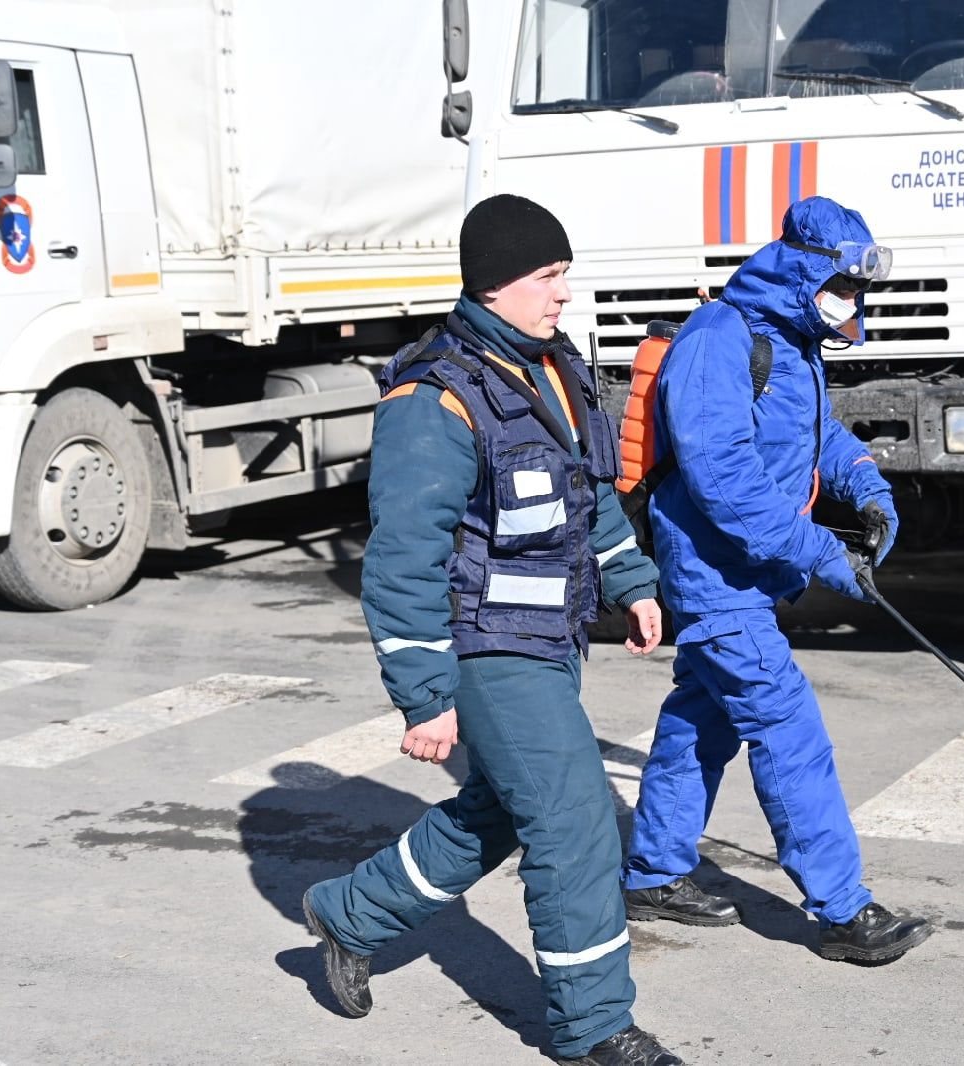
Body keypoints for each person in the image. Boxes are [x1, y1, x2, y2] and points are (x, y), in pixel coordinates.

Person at [301, 194, 685, 1066]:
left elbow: (587, 497)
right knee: (576, 819)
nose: (563, 296)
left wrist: (630, 580)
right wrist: (426, 696)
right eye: (548, 278)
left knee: (506, 809)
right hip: (486, 644)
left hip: (550, 637)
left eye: (564, 278)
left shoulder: (555, 369)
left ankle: (352, 913)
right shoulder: (433, 398)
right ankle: (595, 1029)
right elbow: (401, 560)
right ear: (498, 282)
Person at [619, 196, 933, 964]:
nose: (851, 305)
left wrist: (864, 485)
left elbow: (814, 431)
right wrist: (821, 552)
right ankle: (842, 910)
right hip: (713, 576)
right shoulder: (721, 338)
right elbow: (722, 479)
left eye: (860, 293)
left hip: (748, 577)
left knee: (703, 717)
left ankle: (655, 870)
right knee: (789, 730)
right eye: (845, 288)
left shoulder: (792, 338)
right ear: (802, 269)